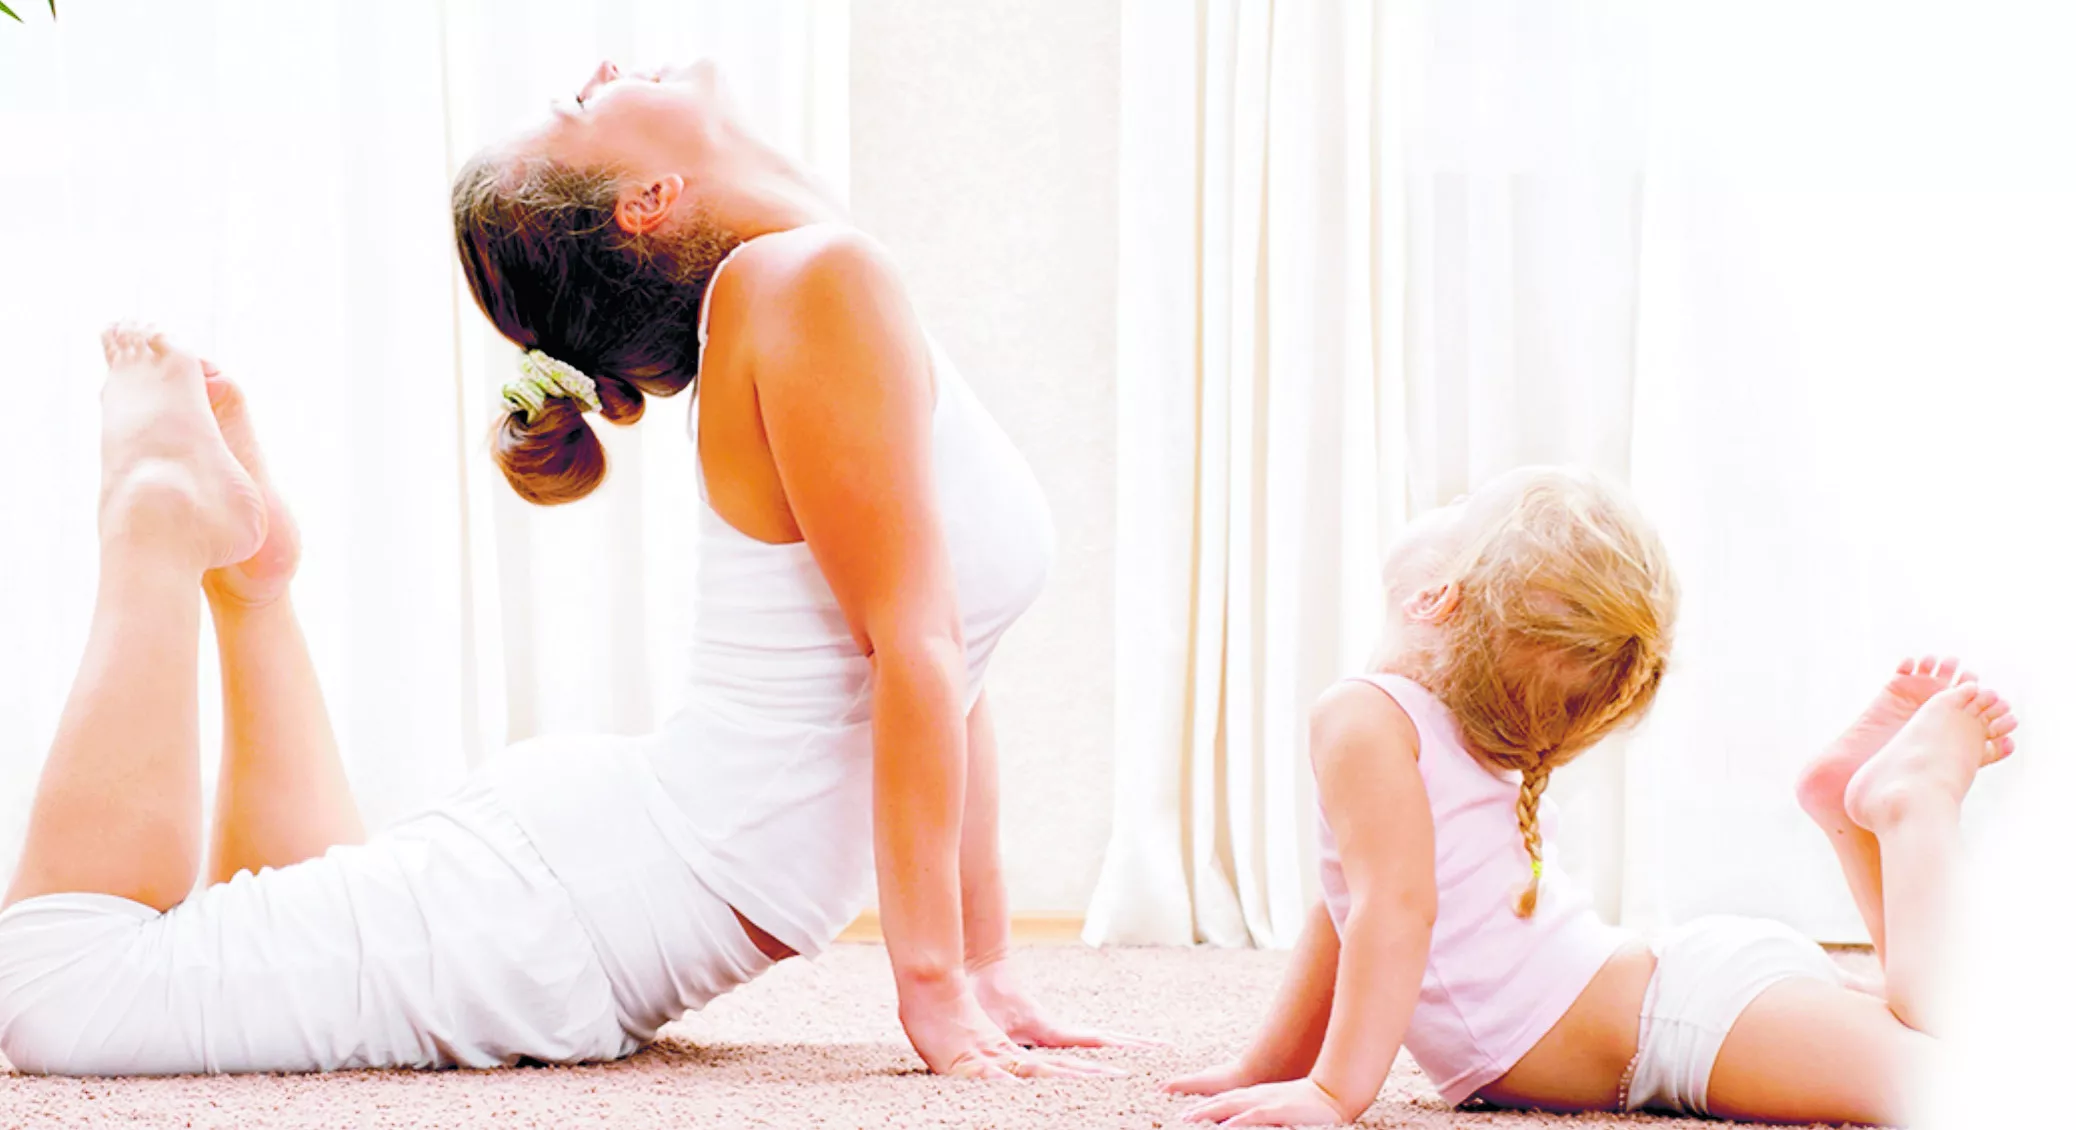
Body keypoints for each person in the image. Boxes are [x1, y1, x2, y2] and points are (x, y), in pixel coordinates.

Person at [0, 58, 1141, 1079]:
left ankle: (253, 587)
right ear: (649, 201)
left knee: (248, 931)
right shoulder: (803, 284)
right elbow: (919, 653)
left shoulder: (817, 283)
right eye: (580, 106)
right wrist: (933, 987)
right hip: (576, 904)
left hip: (598, 875)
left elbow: (951, 658)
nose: (598, 71)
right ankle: (155, 523)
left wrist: (985, 965)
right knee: (55, 993)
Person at [1165, 467, 2017, 1126]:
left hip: (1682, 1022)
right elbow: (1349, 905)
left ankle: (1910, 809)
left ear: (1436, 594)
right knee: (1966, 1043)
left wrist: (1333, 1090)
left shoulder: (1366, 713)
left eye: (1464, 512)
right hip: (1683, 1001)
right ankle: (1849, 814)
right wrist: (1269, 1068)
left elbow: (1392, 911)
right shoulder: (1419, 720)